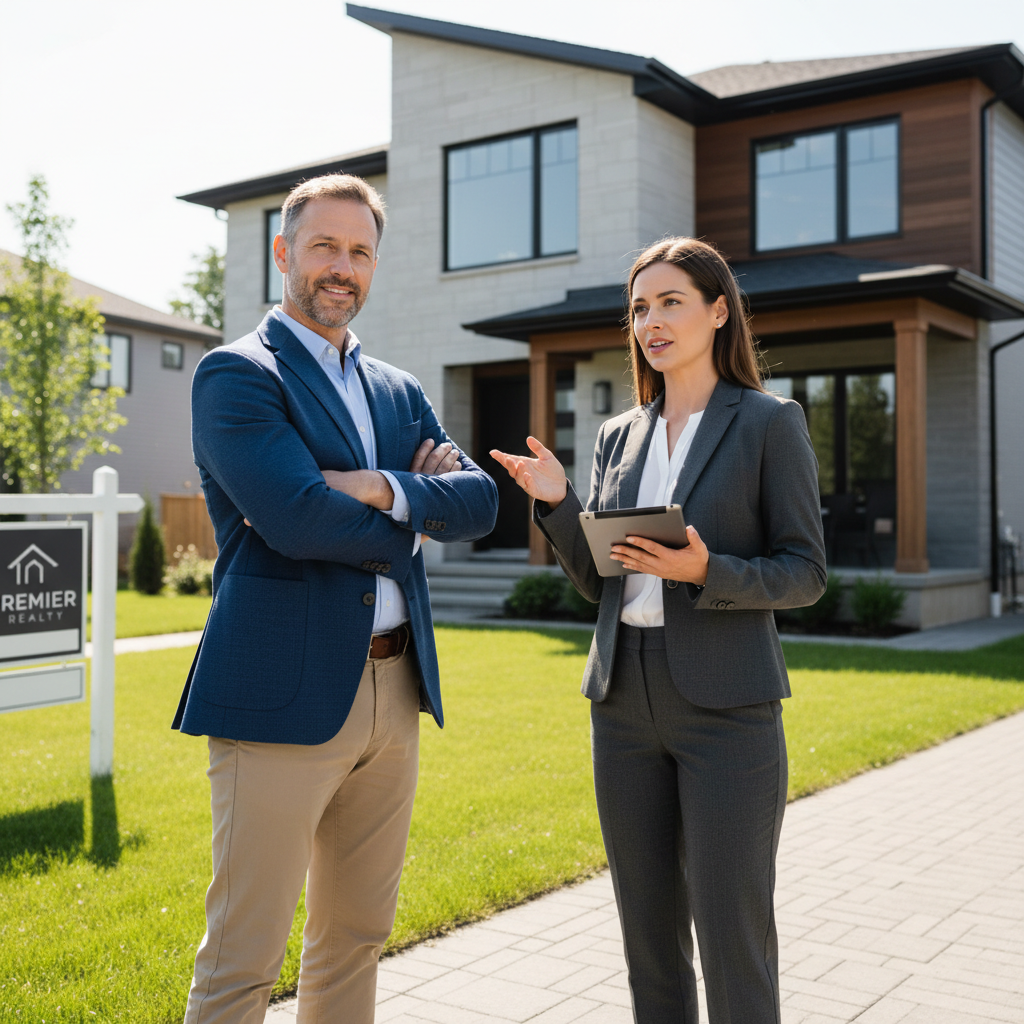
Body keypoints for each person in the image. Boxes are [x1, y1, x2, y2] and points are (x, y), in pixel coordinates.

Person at [172, 174, 498, 1023]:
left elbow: (484, 501)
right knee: (245, 955)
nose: (341, 267)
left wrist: (379, 489)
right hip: (281, 694)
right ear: (284, 253)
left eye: (359, 251)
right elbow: (296, 520)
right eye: (324, 246)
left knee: (356, 934)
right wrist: (419, 516)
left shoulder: (397, 388)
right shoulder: (238, 376)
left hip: (395, 693)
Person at [491, 237, 826, 1024]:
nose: (652, 320)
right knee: (648, 942)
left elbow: (805, 572)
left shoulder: (770, 424)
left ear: (718, 312)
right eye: (640, 307)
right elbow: (597, 579)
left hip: (728, 710)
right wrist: (558, 502)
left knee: (732, 939)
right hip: (622, 701)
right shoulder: (618, 435)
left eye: (671, 301)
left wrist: (707, 572)